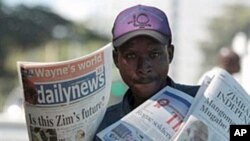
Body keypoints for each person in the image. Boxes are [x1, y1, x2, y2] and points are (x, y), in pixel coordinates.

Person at [95, 4, 200, 139]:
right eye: (131, 55)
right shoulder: (103, 124)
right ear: (116, 59)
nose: (143, 67)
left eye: (154, 54)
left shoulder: (203, 100)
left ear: (170, 53)